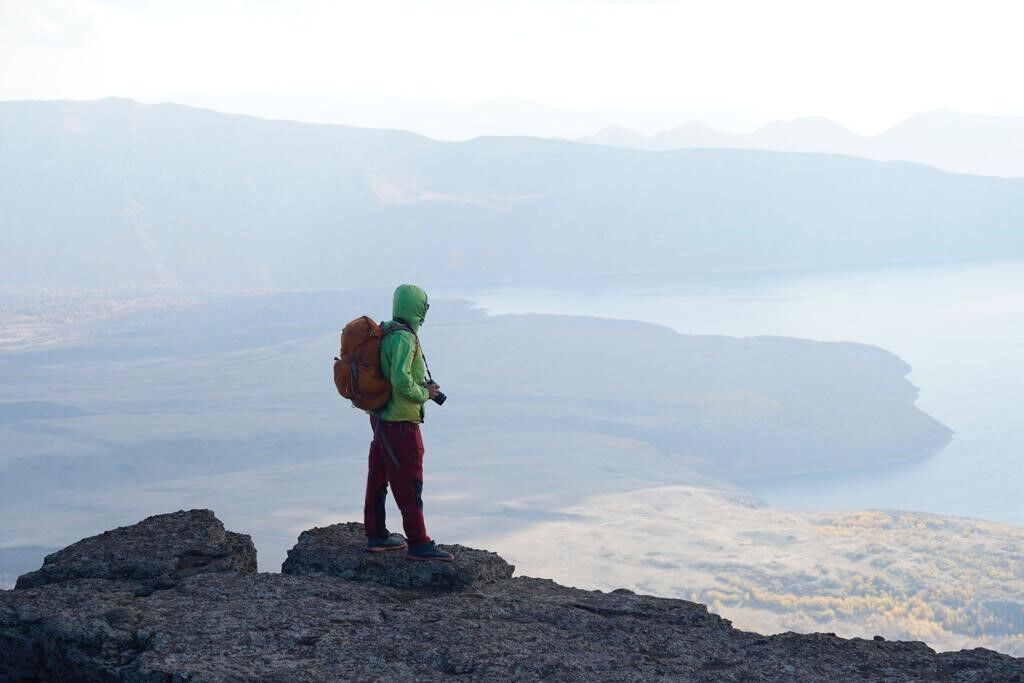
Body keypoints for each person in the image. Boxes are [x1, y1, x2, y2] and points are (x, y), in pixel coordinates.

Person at [363, 283, 454, 561]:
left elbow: (393, 374)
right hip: (400, 422)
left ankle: (376, 534)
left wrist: (423, 386)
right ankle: (418, 542)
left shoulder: (387, 331)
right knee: (409, 481)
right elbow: (401, 382)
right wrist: (425, 393)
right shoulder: (404, 338)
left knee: (378, 477)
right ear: (417, 308)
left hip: (381, 418)